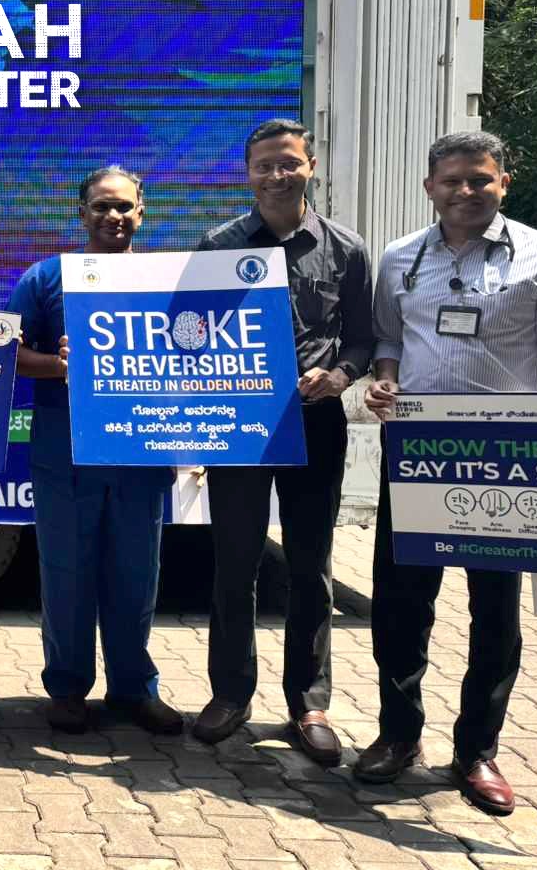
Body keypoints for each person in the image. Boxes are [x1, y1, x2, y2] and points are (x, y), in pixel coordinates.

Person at [357, 131, 537, 814]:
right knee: (401, 606)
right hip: (420, 453)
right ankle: (398, 736)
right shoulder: (402, 259)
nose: (466, 191)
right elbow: (389, 340)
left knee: (495, 614)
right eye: (453, 180)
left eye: (480, 179)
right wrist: (383, 382)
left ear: (503, 183)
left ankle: (477, 751)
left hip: (509, 463)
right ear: (429, 186)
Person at [192, 119, 373, 766]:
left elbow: (362, 338)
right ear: (248, 173)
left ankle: (309, 702)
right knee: (234, 564)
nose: (277, 175)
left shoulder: (346, 250)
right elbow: (185, 331)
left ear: (311, 165)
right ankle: (231, 694)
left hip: (316, 422)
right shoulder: (217, 245)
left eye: (289, 163)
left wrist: (344, 374)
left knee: (309, 569)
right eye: (265, 165)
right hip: (238, 424)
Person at [7, 166, 183, 736]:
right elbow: (6, 353)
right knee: (67, 575)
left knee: (137, 578)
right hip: (66, 454)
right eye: (101, 206)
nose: (113, 216)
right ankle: (67, 688)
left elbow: (196, 358)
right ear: (80, 213)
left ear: (142, 212)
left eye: (123, 207)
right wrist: (58, 366)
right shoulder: (45, 279)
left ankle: (134, 688)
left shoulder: (170, 280)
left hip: (142, 453)